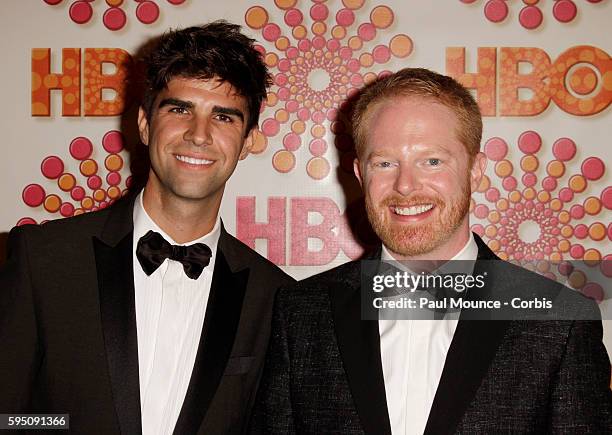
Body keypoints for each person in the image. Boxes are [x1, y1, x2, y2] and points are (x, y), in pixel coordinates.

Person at [251, 68, 611, 434]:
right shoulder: (302, 313)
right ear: (361, 174)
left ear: (475, 171)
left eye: (432, 161)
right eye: (385, 163)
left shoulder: (559, 322)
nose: (405, 186)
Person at [0, 21, 294, 435]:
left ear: (247, 142)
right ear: (143, 124)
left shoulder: (276, 297)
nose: (199, 135)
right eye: (179, 109)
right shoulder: (44, 260)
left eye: (224, 117)